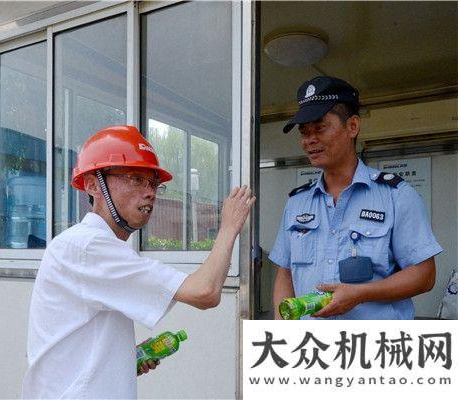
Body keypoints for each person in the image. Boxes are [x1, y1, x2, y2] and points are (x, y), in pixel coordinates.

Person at [22, 125, 255, 398]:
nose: (150, 192)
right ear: (93, 185)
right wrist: (229, 226)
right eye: (135, 179)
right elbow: (205, 292)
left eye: (153, 183)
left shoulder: (92, 248)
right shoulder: (87, 247)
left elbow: (76, 343)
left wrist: (122, 360)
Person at [270, 76, 442, 320]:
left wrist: (361, 294)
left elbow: (424, 275)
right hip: (313, 349)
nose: (309, 140)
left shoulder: (396, 196)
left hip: (372, 350)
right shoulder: (297, 203)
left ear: (352, 126)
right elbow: (285, 273)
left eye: (319, 128)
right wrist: (283, 332)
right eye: (304, 132)